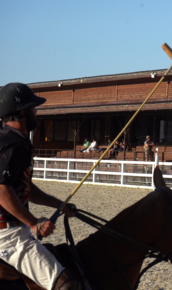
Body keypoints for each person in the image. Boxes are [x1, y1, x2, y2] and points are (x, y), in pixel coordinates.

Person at [0, 83, 80, 290]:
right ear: (23, 111)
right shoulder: (14, 144)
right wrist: (34, 223)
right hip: (8, 237)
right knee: (68, 286)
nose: (37, 111)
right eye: (34, 107)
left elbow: (24, 187)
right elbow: (1, 190)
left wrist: (59, 204)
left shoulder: (10, 140)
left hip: (11, 232)